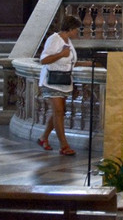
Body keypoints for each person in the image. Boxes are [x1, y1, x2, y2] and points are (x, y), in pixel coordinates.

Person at [37, 15, 82, 155]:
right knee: (58, 112)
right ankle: (64, 146)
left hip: (64, 82)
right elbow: (43, 60)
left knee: (59, 112)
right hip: (51, 81)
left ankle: (43, 138)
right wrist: (61, 54)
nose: (77, 33)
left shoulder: (68, 40)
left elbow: (70, 61)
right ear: (70, 29)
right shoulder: (54, 39)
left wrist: (86, 64)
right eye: (76, 30)